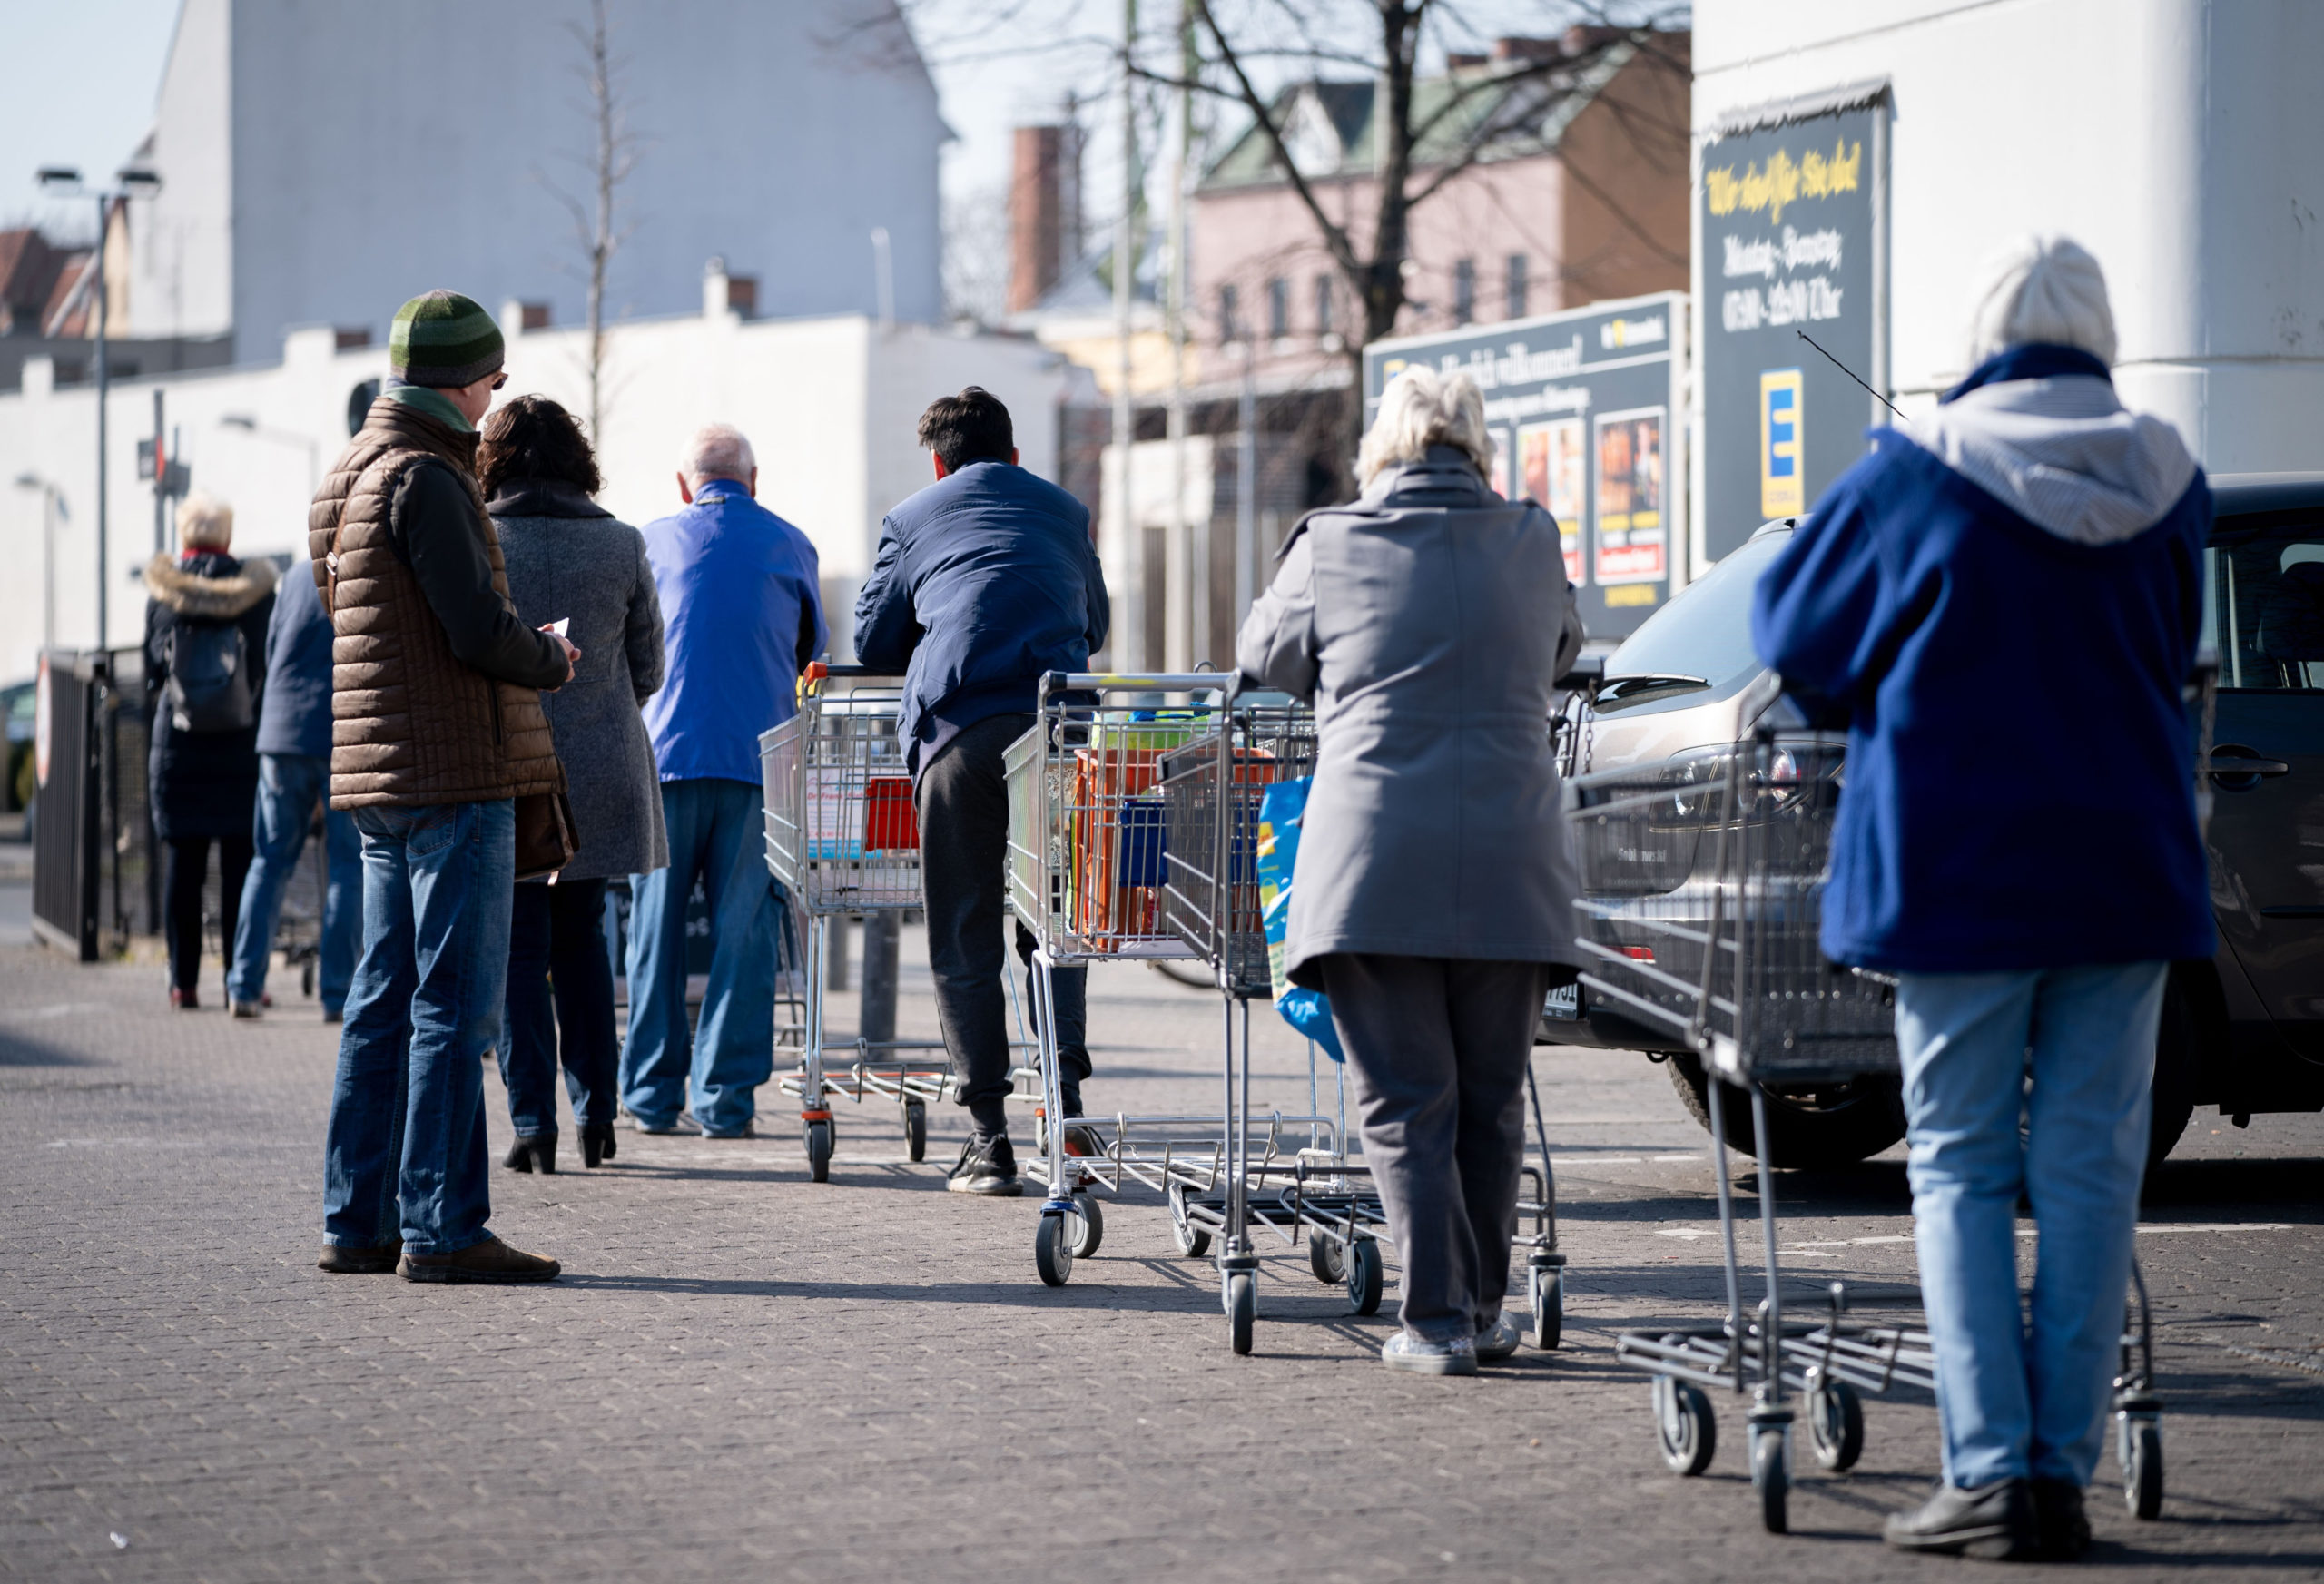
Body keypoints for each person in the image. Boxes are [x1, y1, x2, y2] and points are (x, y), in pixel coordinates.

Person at [1752, 236, 2212, 1561]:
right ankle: (2059, 1475)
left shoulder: (1923, 468)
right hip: (2126, 874)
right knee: (2088, 1170)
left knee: (1957, 1163)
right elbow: (2177, 649)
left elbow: (1793, 628)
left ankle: (1991, 1468)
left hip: (1956, 872)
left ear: (1986, 335)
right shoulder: (2169, 472)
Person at [1235, 367, 1584, 1375]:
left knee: (1403, 1098)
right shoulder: (1531, 538)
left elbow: (1266, 653)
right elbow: (1563, 644)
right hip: (1514, 861)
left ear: (1380, 447)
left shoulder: (1333, 543)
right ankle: (1476, 1309)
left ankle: (1430, 1322)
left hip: (1373, 862)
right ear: (1476, 445)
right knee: (1489, 1096)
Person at [313, 290, 576, 1284]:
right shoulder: (427, 474)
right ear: (459, 379)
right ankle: (443, 1224)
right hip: (455, 769)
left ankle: (357, 1219)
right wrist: (548, 656)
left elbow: (362, 618)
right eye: (492, 380)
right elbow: (473, 626)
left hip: (378, 772)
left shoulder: (347, 471)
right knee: (452, 1006)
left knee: (380, 999)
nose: (494, 398)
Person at [856, 387, 1110, 1196]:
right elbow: (1093, 622)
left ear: (938, 461)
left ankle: (988, 1138)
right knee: (1054, 921)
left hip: (960, 732)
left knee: (964, 927)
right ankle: (1064, 1107)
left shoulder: (912, 514)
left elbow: (872, 637)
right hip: (1055, 732)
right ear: (1015, 453)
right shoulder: (1066, 511)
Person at [484, 395, 666, 1172]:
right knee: (585, 941)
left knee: (517, 950)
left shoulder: (481, 539)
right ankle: (598, 1113)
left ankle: (533, 1124)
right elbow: (649, 667)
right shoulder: (622, 543)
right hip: (601, 771)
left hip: (509, 770)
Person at [625, 424, 824, 1140]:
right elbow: (811, 653)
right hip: (757, 764)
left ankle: (649, 1095)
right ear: (754, 478)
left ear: (685, 486)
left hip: (663, 759)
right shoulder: (792, 544)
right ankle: (725, 1101)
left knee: (654, 930)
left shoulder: (646, 541)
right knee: (746, 932)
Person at [143, 493, 277, 1010]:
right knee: (241, 869)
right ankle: (238, 981)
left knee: (184, 866)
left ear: (184, 540)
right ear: (226, 539)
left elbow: (154, 671)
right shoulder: (256, 595)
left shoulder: (163, 595)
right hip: (242, 748)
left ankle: (183, 982)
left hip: (179, 748)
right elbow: (263, 663)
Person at [227, 524, 359, 1021]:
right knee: (348, 864)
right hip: (338, 734)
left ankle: (243, 984)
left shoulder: (294, 578)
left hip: (279, 734)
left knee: (270, 860)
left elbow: (270, 650)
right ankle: (338, 993)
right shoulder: (360, 575)